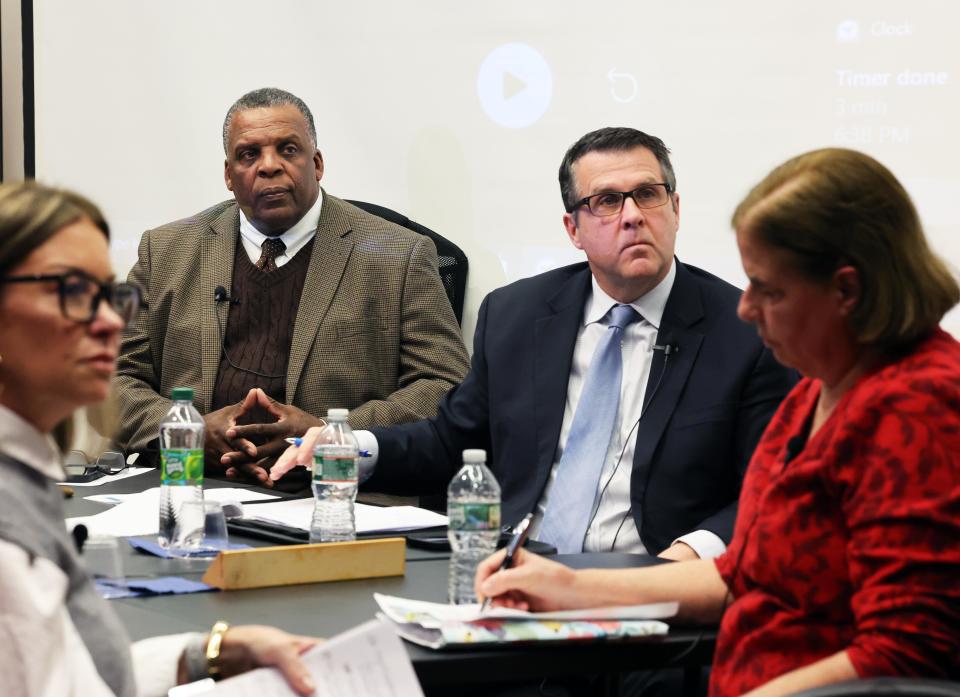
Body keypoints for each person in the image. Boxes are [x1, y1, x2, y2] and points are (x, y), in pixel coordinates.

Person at [474, 148, 960, 696]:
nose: (746, 308)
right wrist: (568, 586)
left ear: (846, 292)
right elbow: (741, 575)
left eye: (768, 290)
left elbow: (905, 653)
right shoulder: (816, 394)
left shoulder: (923, 404)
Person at [275, 127, 796, 559]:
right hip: (516, 570)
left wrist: (689, 554)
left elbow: (770, 489)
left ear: (675, 208)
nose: (633, 215)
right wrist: (352, 445)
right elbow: (452, 440)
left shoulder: (748, 331)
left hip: (653, 588)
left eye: (648, 194)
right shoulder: (517, 315)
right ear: (574, 228)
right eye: (607, 202)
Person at [0, 181, 321, 696]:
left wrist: (211, 654)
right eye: (74, 291)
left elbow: (72, 674)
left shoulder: (25, 474)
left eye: (110, 295)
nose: (109, 321)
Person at [113, 87, 469, 487]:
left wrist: (330, 432)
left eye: (288, 149)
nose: (270, 166)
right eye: (249, 155)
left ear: (316, 164)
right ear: (229, 175)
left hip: (331, 492)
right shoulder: (164, 253)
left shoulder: (398, 256)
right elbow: (113, 379)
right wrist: (188, 430)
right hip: (192, 484)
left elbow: (445, 385)